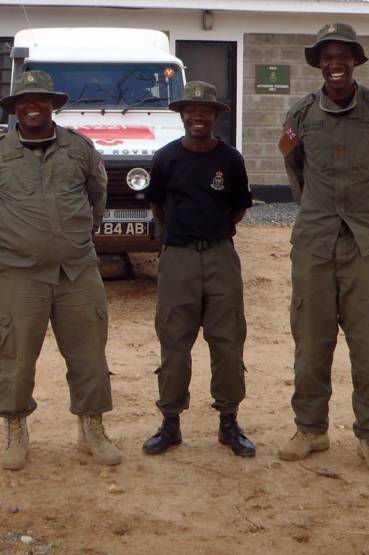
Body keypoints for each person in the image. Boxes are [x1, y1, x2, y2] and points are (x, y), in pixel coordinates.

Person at [0, 70, 121, 470]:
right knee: (16, 360)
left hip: (77, 272)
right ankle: (15, 432)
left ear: (53, 104)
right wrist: (14, 242)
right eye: (23, 100)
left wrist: (75, 236)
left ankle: (92, 430)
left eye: (40, 99)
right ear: (15, 107)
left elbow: (96, 197)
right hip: (19, 276)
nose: (32, 105)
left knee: (89, 356)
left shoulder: (80, 149)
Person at [277, 23, 369, 474]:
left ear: (355, 62)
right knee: (311, 341)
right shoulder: (300, 115)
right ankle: (310, 429)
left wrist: (361, 201)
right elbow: (295, 170)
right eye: (328, 57)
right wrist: (319, 208)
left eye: (344, 56)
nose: (336, 64)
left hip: (363, 242)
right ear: (319, 63)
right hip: (312, 242)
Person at [141, 81, 256, 458]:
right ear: (182, 114)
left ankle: (229, 422)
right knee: (175, 343)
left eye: (205, 110)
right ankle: (170, 423)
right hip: (178, 259)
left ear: (215, 116)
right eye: (191, 110)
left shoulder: (230, 159)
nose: (198, 116)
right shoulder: (166, 157)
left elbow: (238, 207)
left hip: (221, 257)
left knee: (227, 342)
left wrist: (215, 231)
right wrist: (176, 234)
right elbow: (157, 205)